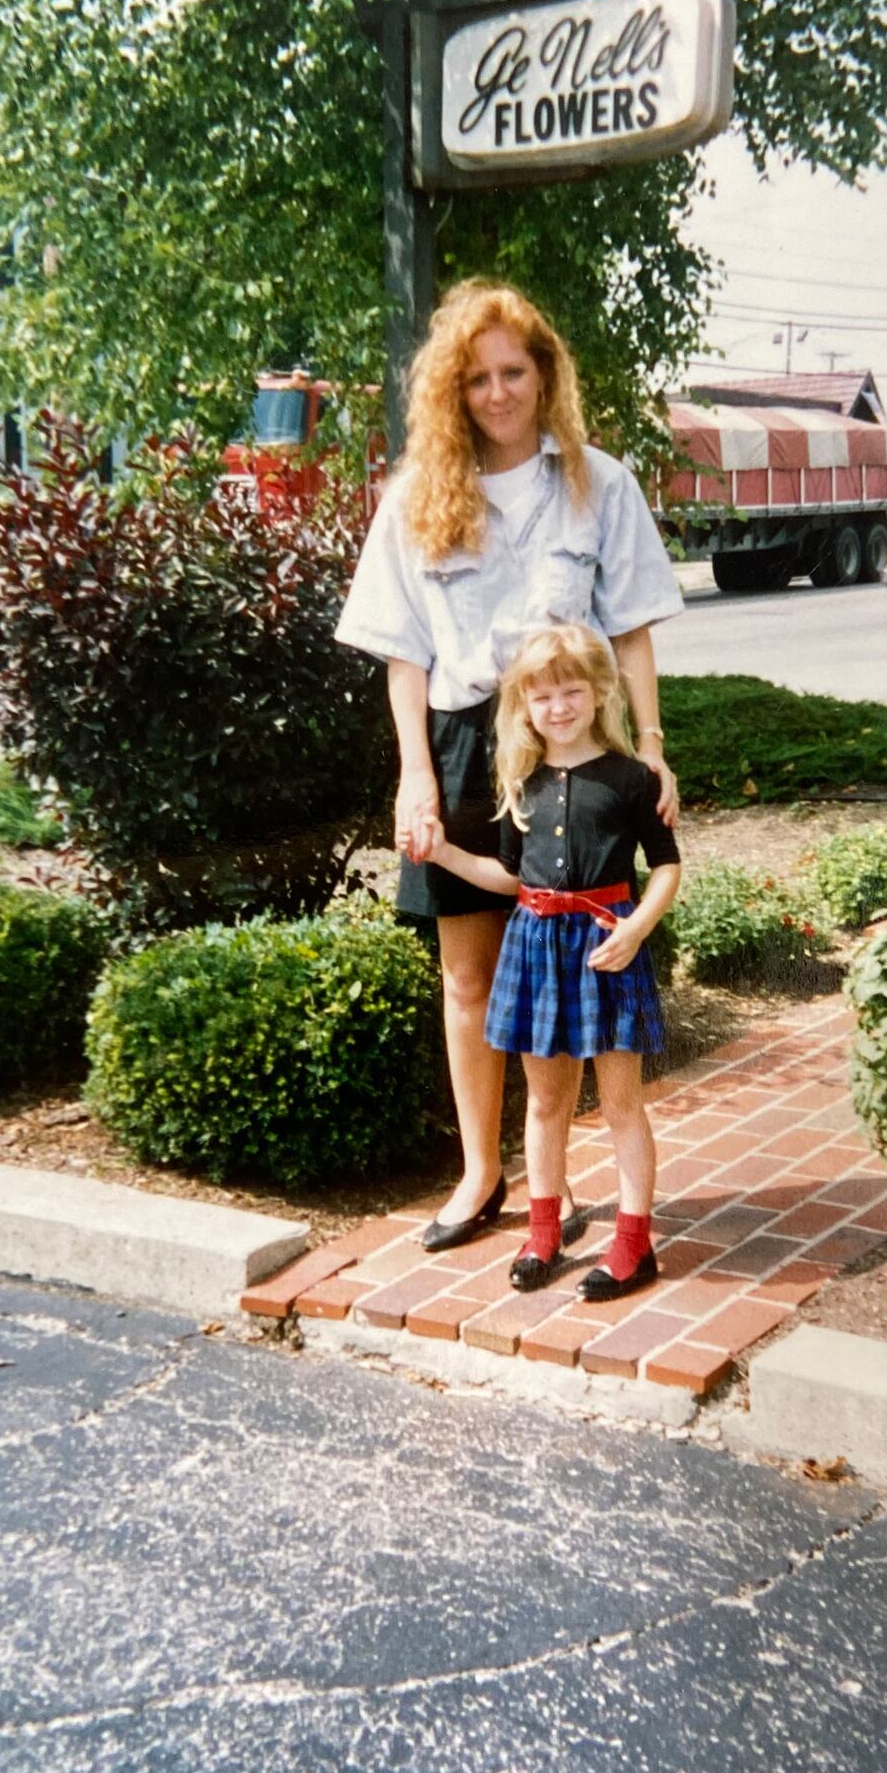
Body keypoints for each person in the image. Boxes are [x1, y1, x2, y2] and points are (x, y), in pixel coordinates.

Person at [334, 279, 683, 1252]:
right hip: (457, 739)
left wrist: (649, 744)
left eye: (513, 372)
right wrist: (414, 775)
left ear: (544, 374)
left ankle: (551, 1180)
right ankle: (482, 1174)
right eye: (477, 376)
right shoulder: (415, 496)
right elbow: (403, 655)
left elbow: (635, 627)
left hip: (565, 737)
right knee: (469, 977)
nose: (496, 392)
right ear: (453, 388)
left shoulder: (595, 482)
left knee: (572, 968)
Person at [425, 624, 681, 1300]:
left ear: (600, 693)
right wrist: (445, 856)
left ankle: (633, 1243)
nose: (559, 708)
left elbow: (666, 867)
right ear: (524, 705)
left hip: (605, 947)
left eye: (573, 692)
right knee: (544, 1102)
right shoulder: (526, 782)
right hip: (537, 947)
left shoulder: (633, 778)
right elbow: (511, 875)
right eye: (543, 697)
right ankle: (542, 1234)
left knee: (622, 1103)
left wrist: (638, 929)